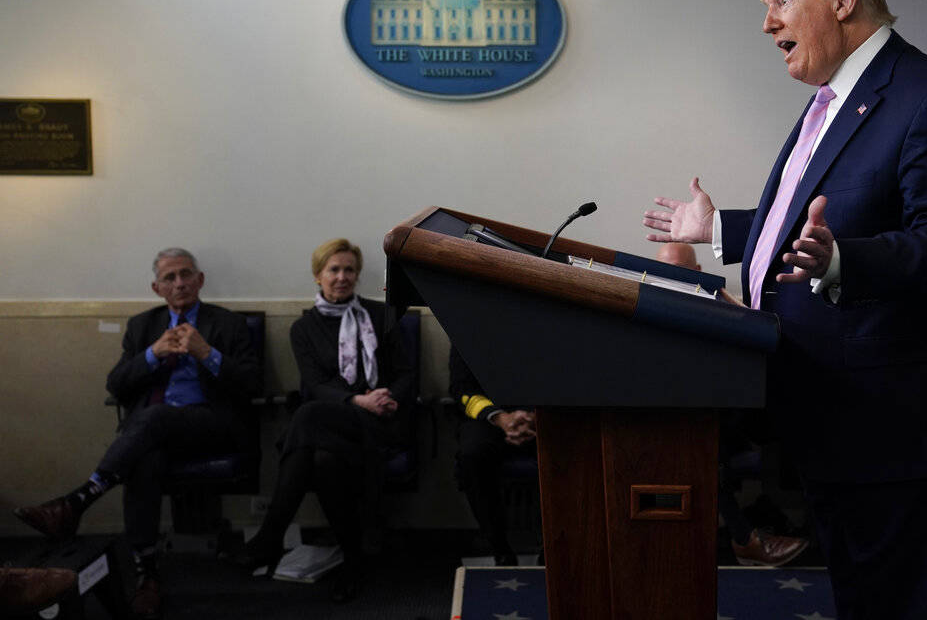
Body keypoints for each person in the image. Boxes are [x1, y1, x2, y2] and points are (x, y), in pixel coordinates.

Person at [642, 0, 927, 620]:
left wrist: (844, 261)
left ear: (843, 1)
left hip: (899, 424)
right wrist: (720, 229)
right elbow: (818, 217)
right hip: (837, 414)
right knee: (865, 598)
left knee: (906, 604)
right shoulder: (836, 99)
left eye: (783, 1)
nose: (767, 23)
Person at [13, 247, 260, 619]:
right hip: (154, 432)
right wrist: (152, 354)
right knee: (145, 456)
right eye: (170, 278)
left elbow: (251, 383)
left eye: (186, 274)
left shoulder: (227, 324)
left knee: (151, 420)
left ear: (200, 280)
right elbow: (116, 385)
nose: (179, 283)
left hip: (211, 423)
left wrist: (206, 352)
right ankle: (148, 575)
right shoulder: (142, 326)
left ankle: (77, 501)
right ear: (156, 287)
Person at [229, 238, 414, 603]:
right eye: (334, 270)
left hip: (381, 421)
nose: (342, 277)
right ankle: (355, 558)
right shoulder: (304, 328)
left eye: (349, 270)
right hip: (336, 425)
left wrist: (387, 397)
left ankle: (270, 536)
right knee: (321, 459)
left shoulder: (383, 315)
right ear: (318, 276)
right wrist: (358, 399)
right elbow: (314, 384)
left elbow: (408, 373)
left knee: (308, 416)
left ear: (358, 275)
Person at [655, 243, 808, 567]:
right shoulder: (648, 308)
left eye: (678, 269)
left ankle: (764, 526)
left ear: (696, 272)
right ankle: (746, 537)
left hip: (728, 413)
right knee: (701, 448)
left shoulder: (716, 304)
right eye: (664, 269)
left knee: (786, 409)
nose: (670, 277)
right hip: (681, 420)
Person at [449, 346, 537, 566]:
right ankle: (500, 548)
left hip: (543, 413)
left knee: (573, 445)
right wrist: (502, 418)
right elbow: (461, 388)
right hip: (490, 416)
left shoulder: (550, 321)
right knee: (472, 455)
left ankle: (557, 545)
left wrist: (532, 415)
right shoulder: (469, 324)